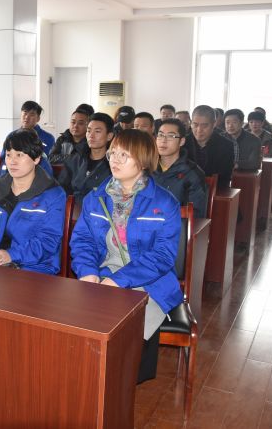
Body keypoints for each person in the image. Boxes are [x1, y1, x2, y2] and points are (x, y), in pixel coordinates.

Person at [70, 129, 183, 382]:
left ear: (143, 160)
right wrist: (88, 272)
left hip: (150, 281)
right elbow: (82, 241)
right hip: (103, 274)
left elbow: (163, 256)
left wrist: (119, 280)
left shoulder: (164, 203)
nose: (115, 160)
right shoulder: (95, 198)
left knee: (124, 331)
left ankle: (117, 382)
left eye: (124, 155)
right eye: (113, 153)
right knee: (76, 322)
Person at [0, 130, 66, 275]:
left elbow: (48, 241)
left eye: (20, 155)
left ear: (36, 159)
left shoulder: (53, 195)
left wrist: (10, 255)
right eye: (9, 155)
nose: (12, 161)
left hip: (35, 267)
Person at [152, 119, 208, 219]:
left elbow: (196, 214)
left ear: (181, 141)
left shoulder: (193, 174)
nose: (163, 140)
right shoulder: (146, 169)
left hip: (175, 226)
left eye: (170, 136)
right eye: (160, 135)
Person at [57, 112, 115, 203]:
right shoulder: (74, 160)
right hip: (73, 207)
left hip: (100, 208)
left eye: (97, 131)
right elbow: (61, 188)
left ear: (109, 136)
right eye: (89, 131)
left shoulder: (114, 164)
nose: (91, 135)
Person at [184, 105, 235, 189]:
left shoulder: (226, 145)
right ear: (191, 123)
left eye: (204, 126)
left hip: (214, 190)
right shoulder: (183, 143)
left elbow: (224, 178)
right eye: (195, 124)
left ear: (214, 124)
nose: (199, 130)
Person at [248, 110, 272, 200]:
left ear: (262, 123)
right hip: (248, 170)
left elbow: (271, 158)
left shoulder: (270, 139)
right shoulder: (245, 136)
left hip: (265, 170)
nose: (254, 124)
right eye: (251, 122)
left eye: (257, 122)